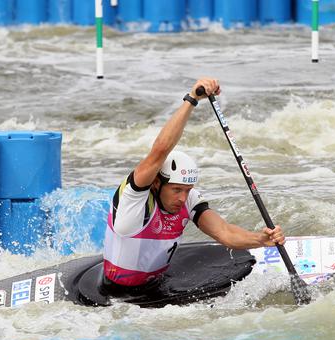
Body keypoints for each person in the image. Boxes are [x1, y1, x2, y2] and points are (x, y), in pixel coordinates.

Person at [102, 78, 285, 292]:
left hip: (157, 284)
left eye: (187, 190)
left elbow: (224, 232)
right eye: (176, 190)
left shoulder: (188, 198)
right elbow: (160, 150)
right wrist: (192, 99)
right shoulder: (134, 199)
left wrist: (261, 239)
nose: (183, 197)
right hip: (114, 291)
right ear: (156, 184)